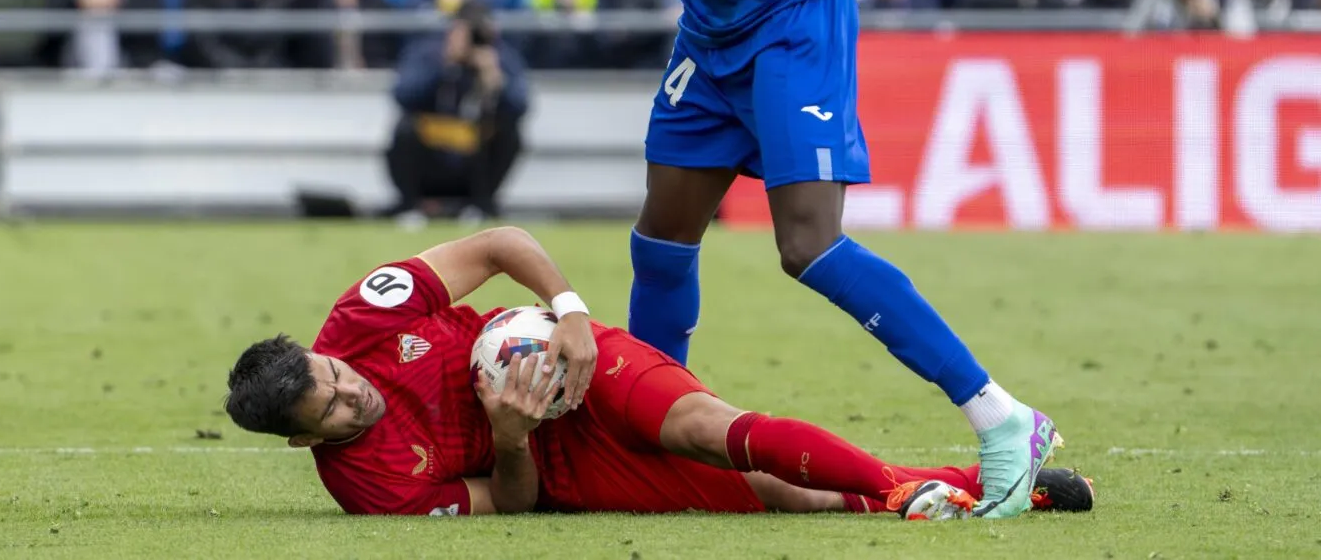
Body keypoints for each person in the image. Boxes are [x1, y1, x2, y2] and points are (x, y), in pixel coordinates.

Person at [495, 0, 1096, 519]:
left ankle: (1003, 418)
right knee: (661, 239)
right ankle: (655, 434)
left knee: (806, 245)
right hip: (708, 40)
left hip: (791, 25)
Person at [224, 226, 1097, 518]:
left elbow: (498, 245)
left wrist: (566, 310)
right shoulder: (370, 487)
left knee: (709, 431)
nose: (352, 391)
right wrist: (508, 437)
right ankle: (1004, 485)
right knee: (785, 499)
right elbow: (512, 507)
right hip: (556, 463)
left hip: (581, 362)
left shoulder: (363, 315)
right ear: (305, 439)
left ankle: (907, 492)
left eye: (336, 374)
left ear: (323, 348)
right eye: (333, 410)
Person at [386, 2, 526, 222]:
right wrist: (446, 65)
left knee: (509, 132)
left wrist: (496, 82)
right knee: (406, 129)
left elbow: (521, 106)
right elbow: (403, 95)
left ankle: (482, 206)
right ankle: (410, 206)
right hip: (433, 155)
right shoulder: (429, 51)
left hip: (476, 158)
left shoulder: (500, 55)